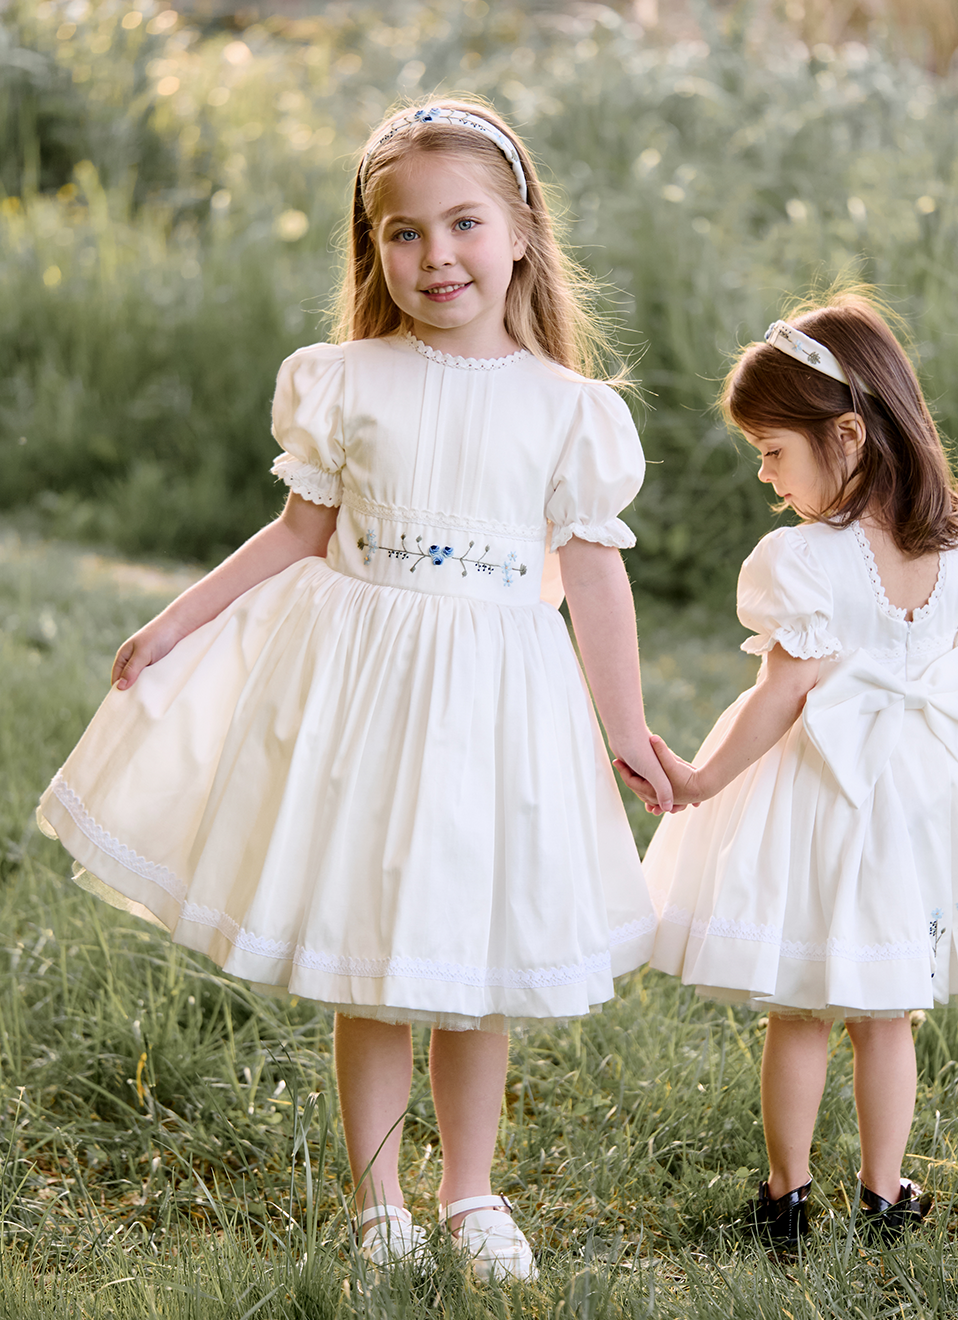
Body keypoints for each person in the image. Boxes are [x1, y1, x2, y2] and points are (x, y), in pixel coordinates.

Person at [38, 97, 672, 1279]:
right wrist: (177, 620)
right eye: (403, 233)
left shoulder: (569, 412)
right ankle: (377, 1198)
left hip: (494, 696)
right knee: (374, 945)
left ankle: (471, 1192)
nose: (436, 256)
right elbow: (295, 534)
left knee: (475, 957)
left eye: (464, 223)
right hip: (371, 694)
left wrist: (622, 724)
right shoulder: (346, 379)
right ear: (371, 247)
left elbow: (593, 582)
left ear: (522, 232)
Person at [619, 292, 958, 1245]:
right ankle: (886, 1193)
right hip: (918, 805)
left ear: (847, 434)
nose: (768, 479)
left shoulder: (804, 561)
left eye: (774, 451)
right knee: (889, 1010)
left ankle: (786, 1196)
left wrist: (698, 780)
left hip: (823, 799)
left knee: (805, 1009)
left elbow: (782, 695)